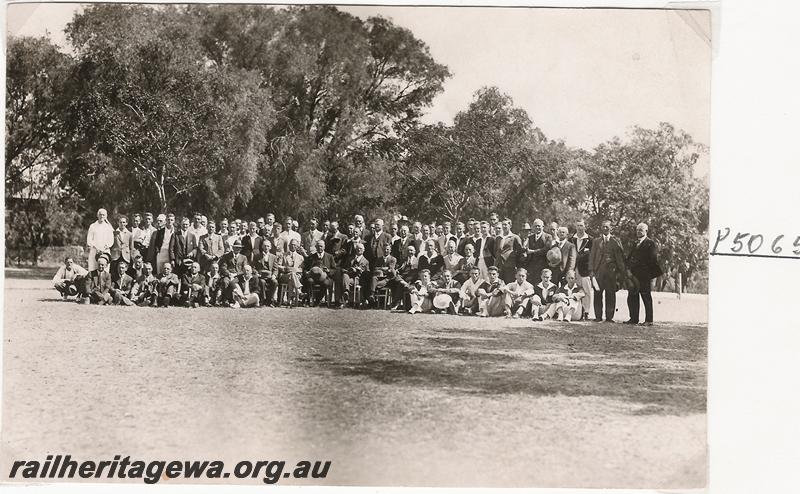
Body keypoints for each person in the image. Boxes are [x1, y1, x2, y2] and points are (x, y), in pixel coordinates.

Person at [625, 223, 663, 326]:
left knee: (646, 297)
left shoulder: (650, 243)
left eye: (641, 230)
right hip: (633, 275)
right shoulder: (634, 243)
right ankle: (633, 319)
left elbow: (652, 260)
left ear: (646, 231)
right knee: (632, 296)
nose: (638, 232)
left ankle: (649, 320)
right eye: (637, 230)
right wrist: (628, 269)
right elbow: (630, 257)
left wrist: (647, 273)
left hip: (644, 275)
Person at [589, 220, 626, 322]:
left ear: (611, 228)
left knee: (610, 294)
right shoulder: (596, 241)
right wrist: (591, 270)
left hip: (611, 273)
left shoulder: (616, 241)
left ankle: (609, 317)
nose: (605, 228)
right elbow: (592, 256)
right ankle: (598, 316)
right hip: (598, 272)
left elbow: (620, 258)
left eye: (607, 227)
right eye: (603, 226)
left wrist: (621, 272)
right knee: (597, 294)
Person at [570, 219, 593, 320]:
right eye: (578, 226)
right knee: (576, 290)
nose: (579, 228)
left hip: (585, 270)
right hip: (573, 269)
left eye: (581, 226)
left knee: (587, 291)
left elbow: (592, 255)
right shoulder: (571, 239)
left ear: (585, 227)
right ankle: (577, 312)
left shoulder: (590, 240)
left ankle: (586, 312)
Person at [302, 239, 336, 306]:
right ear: (316, 247)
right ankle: (310, 299)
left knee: (326, 283)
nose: (319, 248)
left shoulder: (330, 256)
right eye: (318, 246)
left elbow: (334, 269)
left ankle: (318, 300)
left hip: (325, 277)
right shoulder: (311, 257)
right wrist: (307, 272)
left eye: (321, 246)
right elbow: (305, 268)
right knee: (309, 281)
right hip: (313, 277)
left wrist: (328, 270)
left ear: (324, 247)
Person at [336, 242, 369, 308]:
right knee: (344, 276)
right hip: (349, 277)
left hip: (357, 279)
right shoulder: (350, 259)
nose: (359, 250)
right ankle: (346, 292)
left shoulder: (366, 261)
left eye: (360, 248)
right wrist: (347, 270)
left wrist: (360, 270)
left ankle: (343, 299)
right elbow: (344, 268)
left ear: (363, 250)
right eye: (357, 249)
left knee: (344, 281)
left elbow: (367, 272)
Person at [277, 239, 305, 307]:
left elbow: (301, 269)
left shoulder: (300, 257)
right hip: (285, 275)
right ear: (289, 246)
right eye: (291, 245)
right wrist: (285, 268)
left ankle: (289, 301)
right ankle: (299, 291)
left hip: (295, 276)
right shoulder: (283, 255)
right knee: (291, 275)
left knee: (291, 278)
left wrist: (295, 270)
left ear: (297, 246)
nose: (293, 246)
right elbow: (278, 265)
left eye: (294, 245)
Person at [525, 219, 554, 284]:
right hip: (531, 267)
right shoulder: (530, 237)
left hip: (542, 266)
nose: (537, 227)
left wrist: (533, 251)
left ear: (543, 227)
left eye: (539, 226)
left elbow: (546, 249)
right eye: (535, 226)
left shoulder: (548, 237)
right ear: (533, 227)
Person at [495, 219, 523, 283]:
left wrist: (513, 259)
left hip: (510, 266)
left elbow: (520, 251)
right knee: (499, 284)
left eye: (505, 225)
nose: (504, 226)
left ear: (510, 226)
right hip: (499, 265)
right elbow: (495, 251)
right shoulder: (498, 238)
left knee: (509, 283)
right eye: (503, 225)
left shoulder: (515, 237)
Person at [252, 239, 279, 306]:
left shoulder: (273, 257)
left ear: (270, 247)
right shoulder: (257, 256)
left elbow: (275, 269)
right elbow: (253, 267)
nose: (266, 247)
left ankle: (270, 300)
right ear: (262, 247)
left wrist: (274, 275)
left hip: (270, 276)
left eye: (268, 246)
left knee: (275, 282)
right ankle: (263, 300)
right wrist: (257, 273)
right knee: (262, 282)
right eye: (265, 246)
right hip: (261, 276)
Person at [110, 215, 133, 280]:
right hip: (115, 256)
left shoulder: (130, 234)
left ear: (126, 223)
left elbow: (131, 247)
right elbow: (111, 245)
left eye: (124, 222)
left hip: (125, 256)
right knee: (114, 273)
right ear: (118, 223)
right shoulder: (114, 233)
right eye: (120, 222)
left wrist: (131, 257)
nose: (122, 224)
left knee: (125, 273)